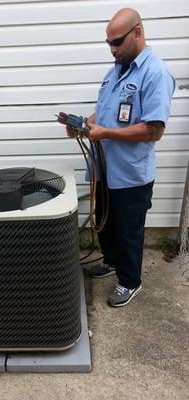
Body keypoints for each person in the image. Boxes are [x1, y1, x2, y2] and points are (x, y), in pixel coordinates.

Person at [67, 8, 175, 307]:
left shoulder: (155, 73)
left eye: (117, 42)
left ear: (137, 32)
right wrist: (83, 125)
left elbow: (154, 130)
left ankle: (130, 281)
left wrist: (106, 133)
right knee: (107, 223)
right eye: (109, 44)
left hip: (130, 174)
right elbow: (103, 114)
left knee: (128, 230)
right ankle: (111, 262)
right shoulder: (115, 71)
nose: (112, 49)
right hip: (106, 169)